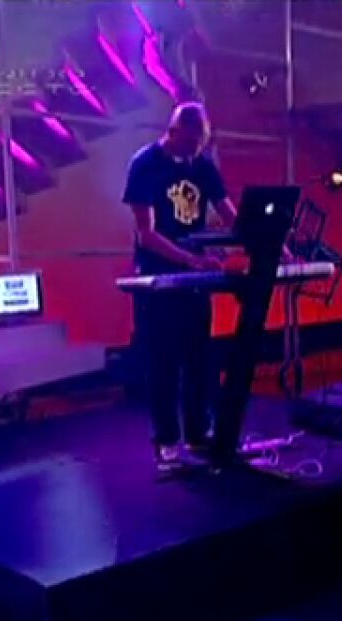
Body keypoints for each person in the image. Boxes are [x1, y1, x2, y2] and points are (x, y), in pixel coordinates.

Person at [123, 102, 238, 474]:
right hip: (158, 279)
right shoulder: (144, 164)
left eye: (200, 144)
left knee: (200, 360)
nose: (194, 151)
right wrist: (191, 260)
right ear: (173, 132)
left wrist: (269, 243)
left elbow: (229, 213)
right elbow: (147, 234)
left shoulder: (202, 165)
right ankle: (167, 442)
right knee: (164, 365)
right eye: (190, 143)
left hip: (194, 281)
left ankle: (198, 433)